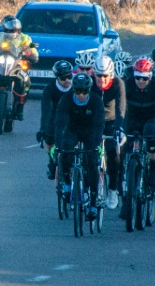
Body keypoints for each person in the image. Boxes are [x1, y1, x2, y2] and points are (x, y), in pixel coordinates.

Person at [121, 57, 155, 221]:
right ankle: (126, 192)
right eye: (138, 77)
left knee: (152, 136)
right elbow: (117, 104)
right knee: (123, 149)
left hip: (152, 118)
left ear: (150, 77)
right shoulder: (127, 85)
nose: (141, 81)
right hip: (133, 118)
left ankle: (153, 167)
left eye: (145, 78)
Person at [54, 72, 105, 219]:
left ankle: (93, 203)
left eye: (84, 92)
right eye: (77, 91)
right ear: (73, 90)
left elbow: (99, 124)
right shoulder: (66, 100)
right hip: (73, 129)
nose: (81, 95)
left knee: (92, 162)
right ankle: (68, 184)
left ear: (89, 91)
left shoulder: (96, 101)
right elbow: (59, 123)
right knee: (65, 151)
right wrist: (58, 144)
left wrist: (95, 145)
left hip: (90, 131)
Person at [0, 14, 38, 120]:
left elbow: (29, 49)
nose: (13, 33)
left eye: (16, 31)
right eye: (10, 31)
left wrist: (32, 55)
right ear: (5, 29)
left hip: (16, 65)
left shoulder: (24, 38)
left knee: (26, 80)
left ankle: (20, 108)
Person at [93, 53, 127, 210]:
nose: (101, 79)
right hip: (93, 122)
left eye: (105, 76)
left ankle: (113, 190)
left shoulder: (118, 83)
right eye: (98, 75)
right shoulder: (90, 84)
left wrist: (120, 128)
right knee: (89, 155)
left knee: (113, 152)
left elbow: (121, 107)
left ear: (111, 74)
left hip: (112, 122)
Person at [38, 60, 75, 179]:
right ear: (57, 78)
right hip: (55, 116)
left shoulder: (76, 87)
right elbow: (46, 111)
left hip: (73, 116)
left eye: (69, 77)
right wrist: (42, 129)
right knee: (49, 137)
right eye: (63, 78)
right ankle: (52, 160)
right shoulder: (49, 89)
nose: (67, 81)